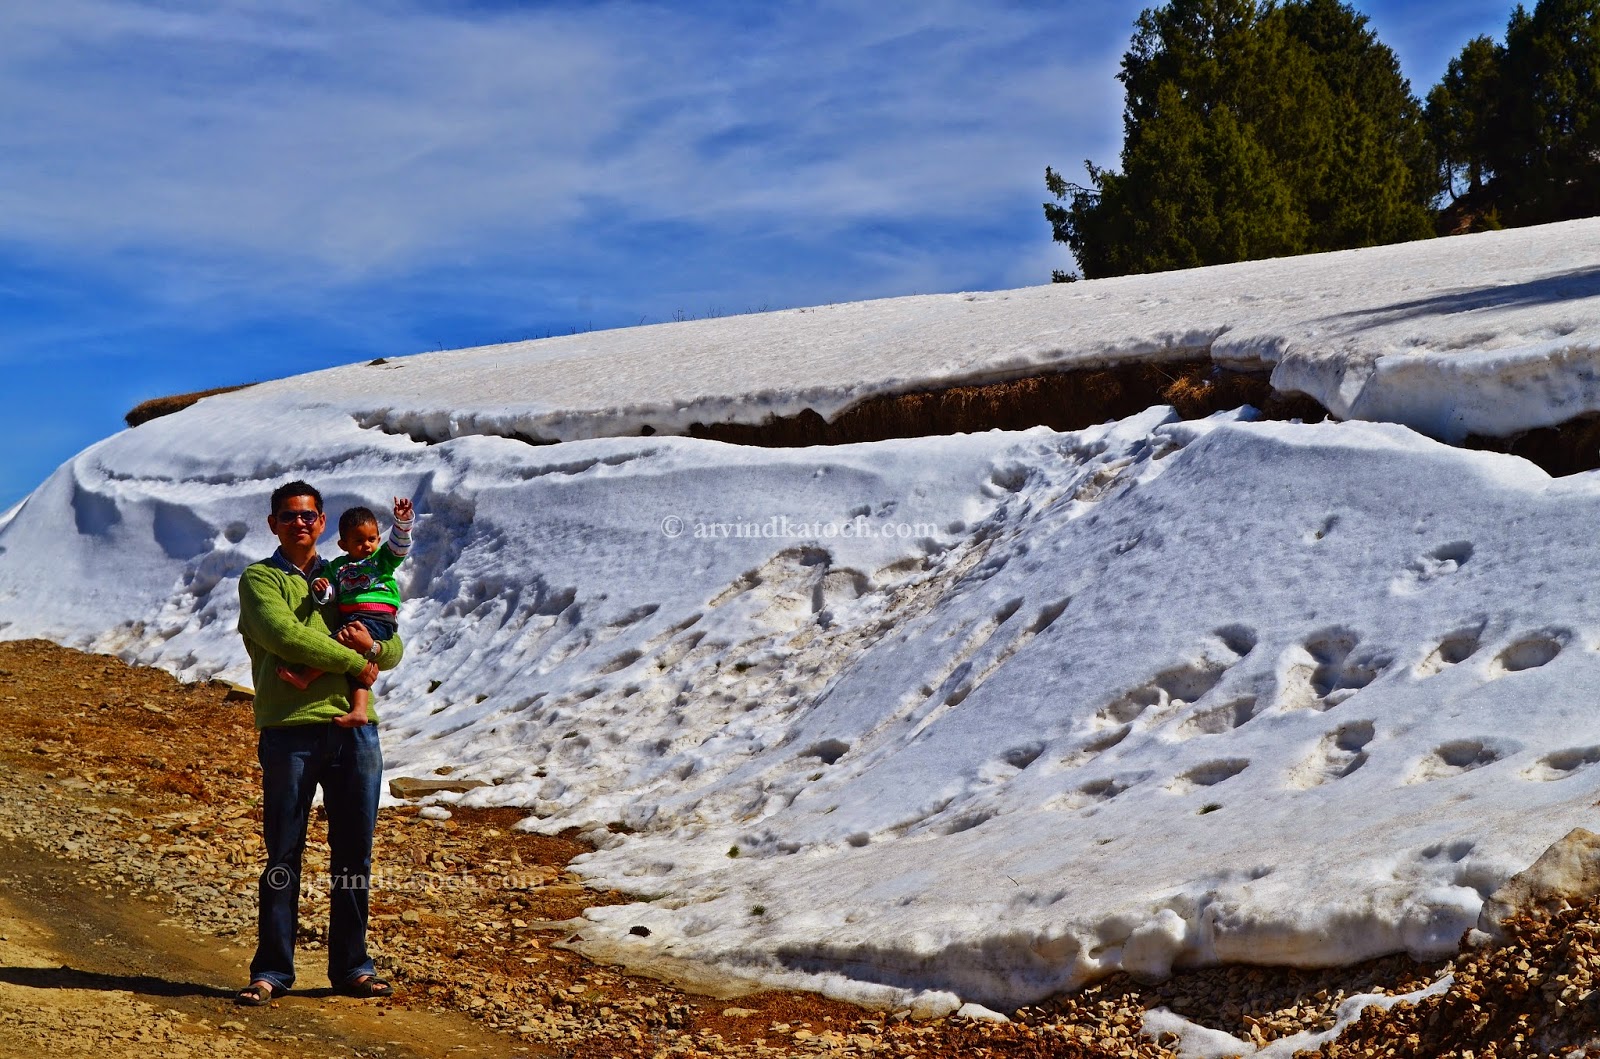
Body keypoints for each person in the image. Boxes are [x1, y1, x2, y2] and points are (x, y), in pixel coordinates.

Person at [234, 480, 403, 1007]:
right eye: (289, 516)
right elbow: (285, 637)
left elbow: (392, 642)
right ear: (273, 524)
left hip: (356, 730)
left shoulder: (345, 573)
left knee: (355, 854)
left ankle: (352, 967)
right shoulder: (260, 579)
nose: (300, 523)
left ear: (322, 521)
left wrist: (374, 645)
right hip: (290, 730)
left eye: (308, 516)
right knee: (283, 853)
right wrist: (359, 661)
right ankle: (272, 971)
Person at [276, 497, 414, 729]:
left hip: (378, 618)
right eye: (359, 541)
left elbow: (398, 547)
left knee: (336, 646)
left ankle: (306, 677)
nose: (367, 546)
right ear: (343, 545)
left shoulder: (381, 560)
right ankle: (359, 711)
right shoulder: (337, 567)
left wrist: (402, 522)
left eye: (372, 539)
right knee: (356, 660)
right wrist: (322, 588)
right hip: (353, 618)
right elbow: (329, 595)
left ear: (379, 540)